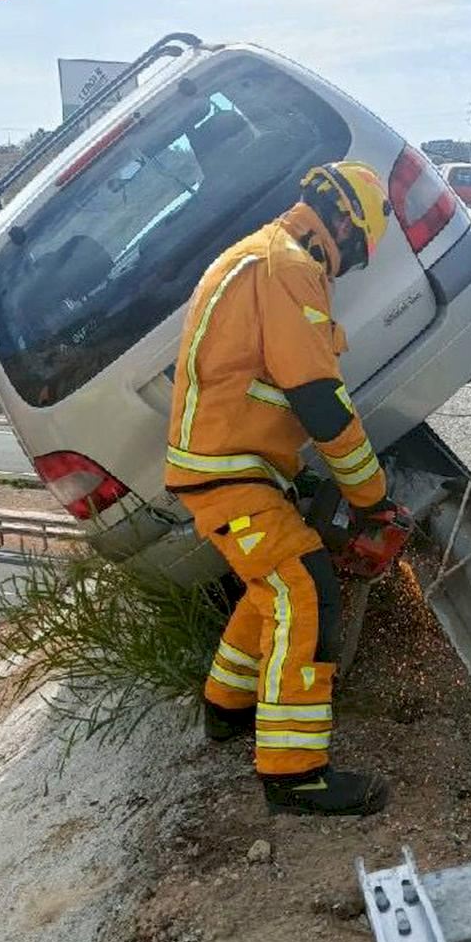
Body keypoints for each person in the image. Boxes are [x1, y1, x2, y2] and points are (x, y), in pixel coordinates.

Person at [165, 160, 400, 818]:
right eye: (359, 252)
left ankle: (225, 707)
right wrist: (373, 502)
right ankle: (294, 774)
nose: (351, 267)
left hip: (231, 466)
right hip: (227, 469)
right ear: (345, 228)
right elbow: (320, 402)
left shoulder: (266, 255)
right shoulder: (289, 267)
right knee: (304, 590)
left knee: (272, 586)